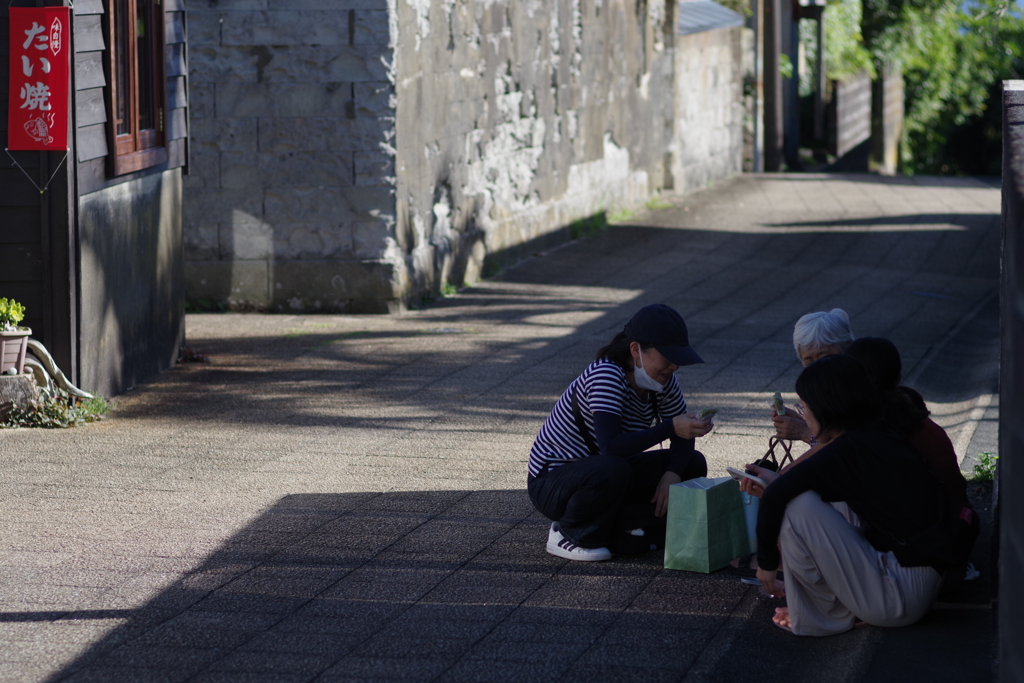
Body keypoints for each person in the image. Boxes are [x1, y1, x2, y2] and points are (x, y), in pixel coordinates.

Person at [744, 355, 977, 636]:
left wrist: (767, 566)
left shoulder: (851, 448)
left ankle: (824, 616)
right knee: (805, 497)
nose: (803, 414)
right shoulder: (876, 432)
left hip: (899, 596)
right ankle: (829, 610)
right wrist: (774, 483)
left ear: (826, 407)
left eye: (804, 406)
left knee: (796, 504)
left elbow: (780, 494)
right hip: (916, 581)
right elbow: (800, 486)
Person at [527, 304, 712, 561]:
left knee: (692, 463)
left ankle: (624, 527)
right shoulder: (606, 375)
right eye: (667, 356)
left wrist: (673, 473)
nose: (674, 366)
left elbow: (682, 439)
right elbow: (612, 446)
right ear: (636, 350)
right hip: (553, 481)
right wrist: (671, 427)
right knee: (614, 468)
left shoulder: (662, 380)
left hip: (605, 471)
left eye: (677, 358)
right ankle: (569, 533)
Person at [844, 337, 969, 507]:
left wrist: (808, 434)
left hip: (933, 528)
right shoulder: (912, 414)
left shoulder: (873, 427)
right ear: (898, 376)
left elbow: (818, 473)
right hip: (958, 521)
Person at [772, 308, 854, 446]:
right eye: (809, 362)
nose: (817, 369)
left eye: (824, 358)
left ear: (846, 349)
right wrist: (808, 422)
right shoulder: (824, 389)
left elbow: (846, 450)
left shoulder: (856, 390)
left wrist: (806, 433)